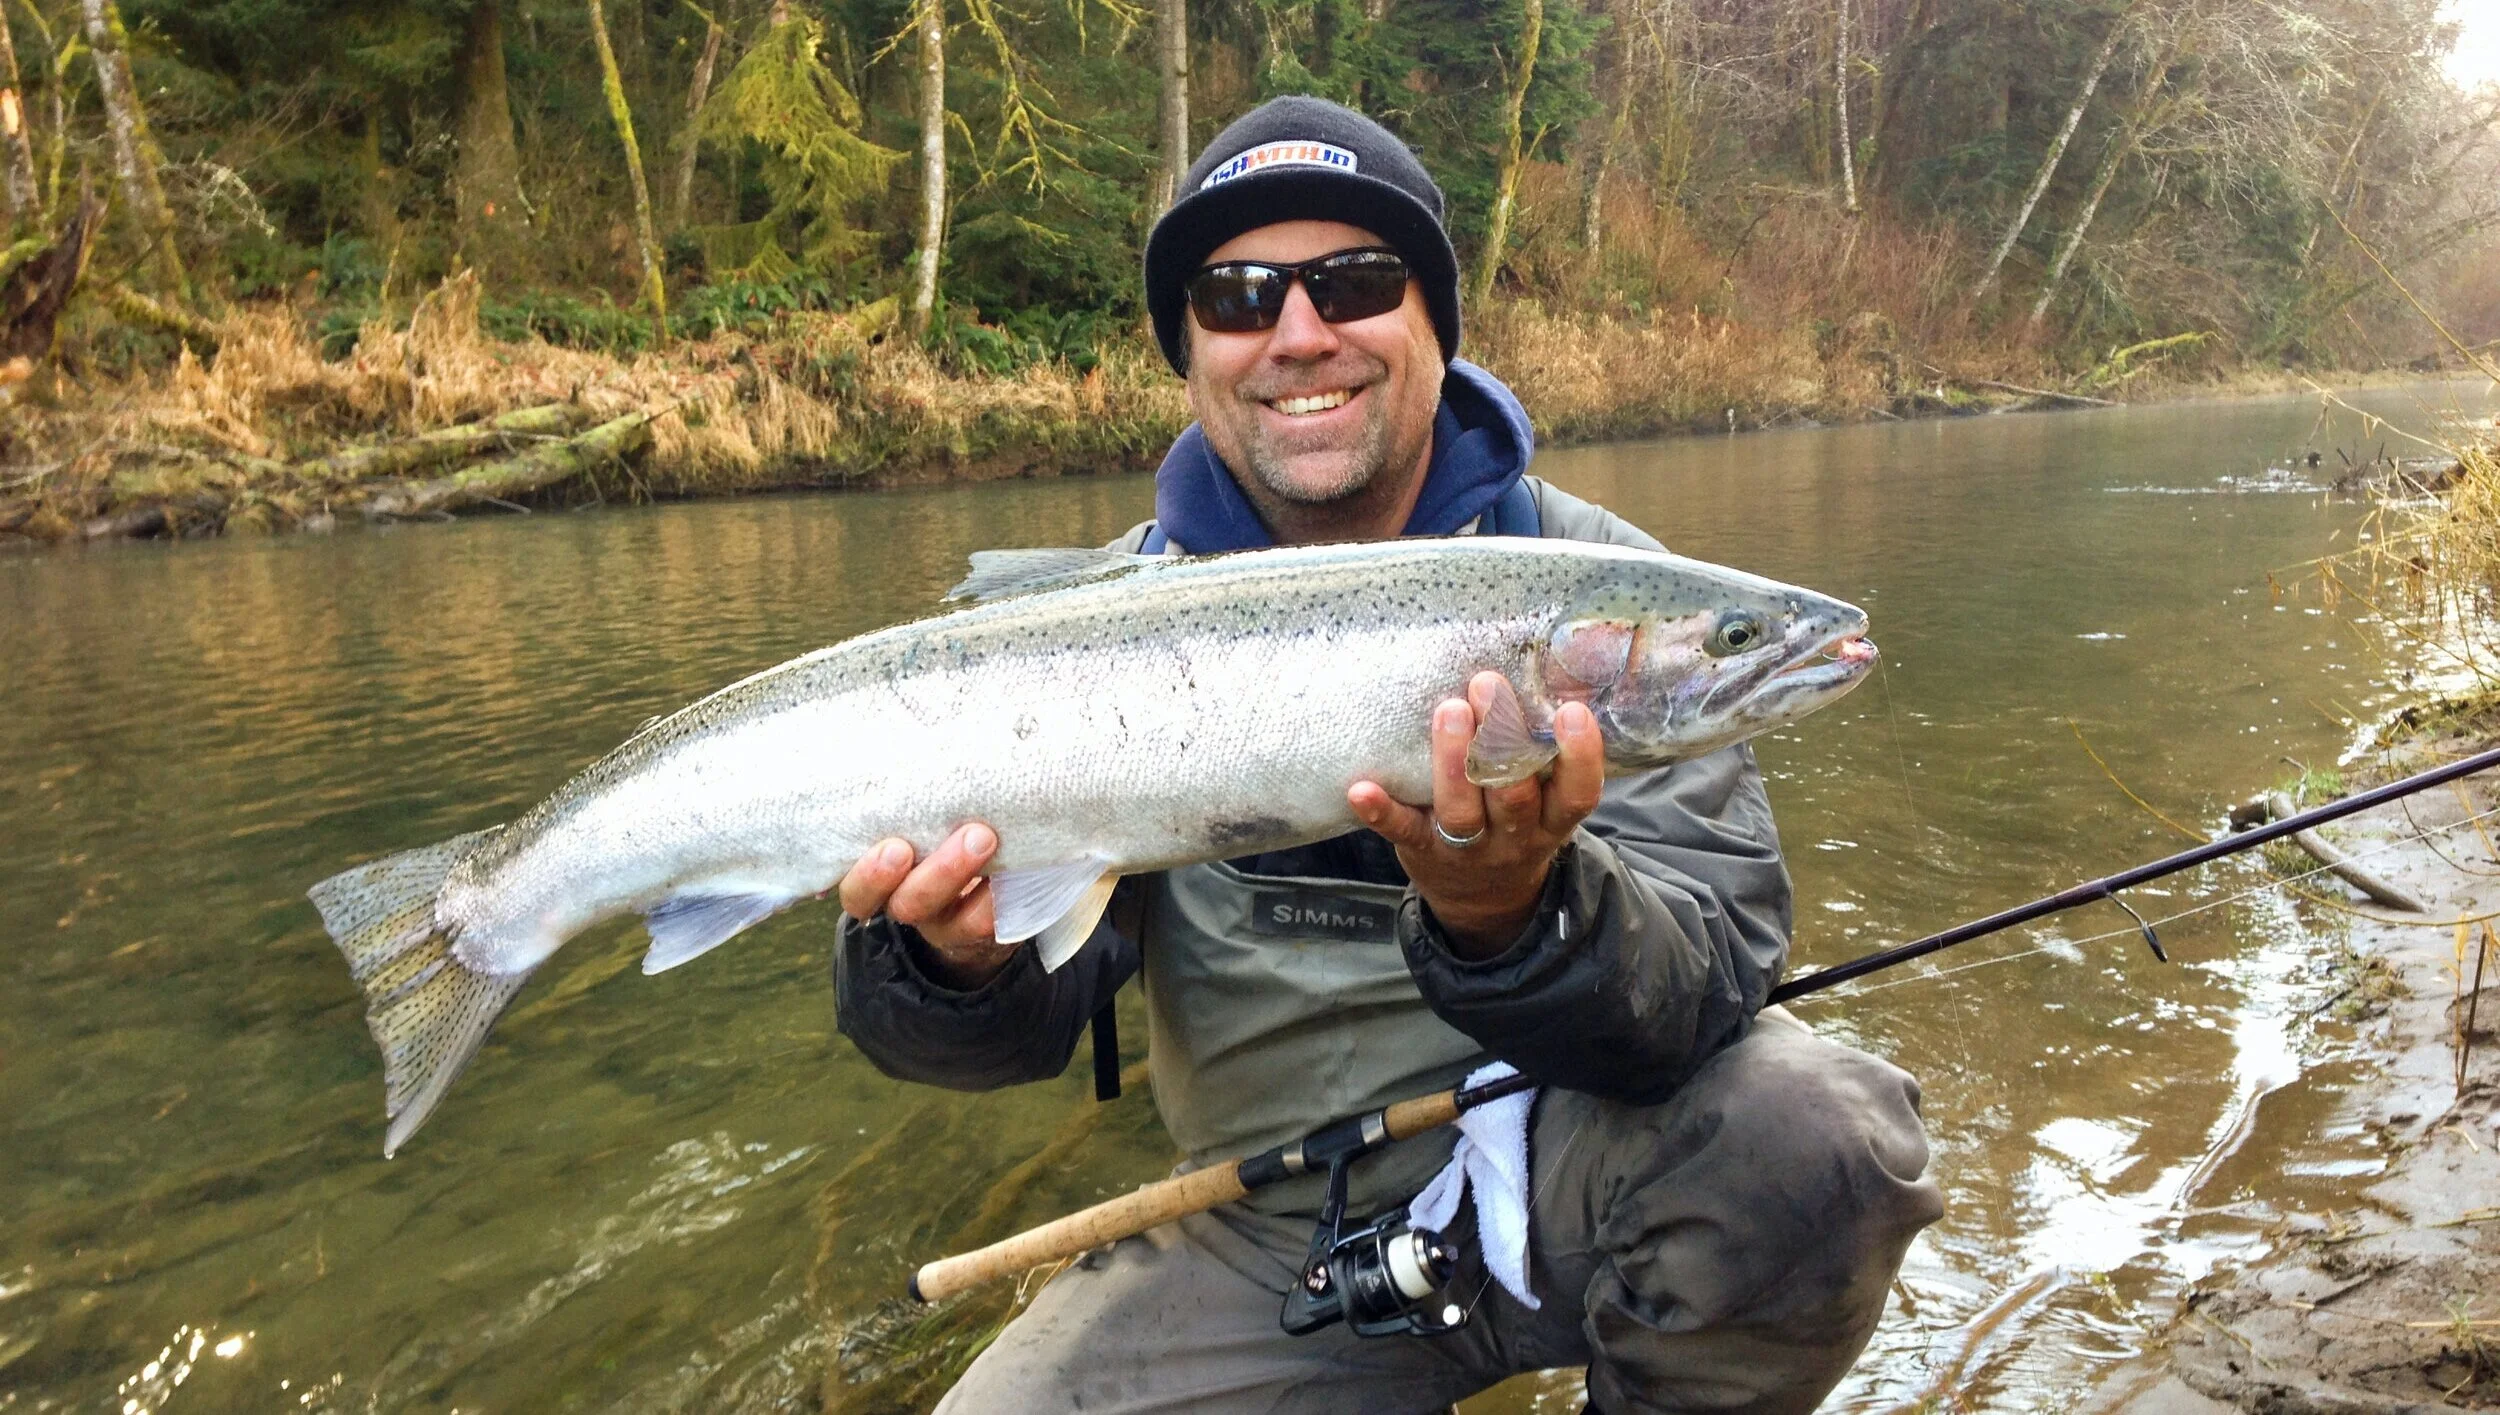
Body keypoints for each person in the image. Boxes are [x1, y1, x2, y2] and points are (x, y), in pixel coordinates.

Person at [832, 95, 1943, 1415]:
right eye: (1239, 294)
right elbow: (1004, 1045)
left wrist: (1512, 913)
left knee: (1818, 1135)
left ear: (1432, 321)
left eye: (1354, 280)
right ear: (1191, 348)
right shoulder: (1087, 643)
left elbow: (1712, 977)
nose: (1298, 334)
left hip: (1579, 1155)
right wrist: (945, 964)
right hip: (1262, 1224)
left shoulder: (1603, 574)